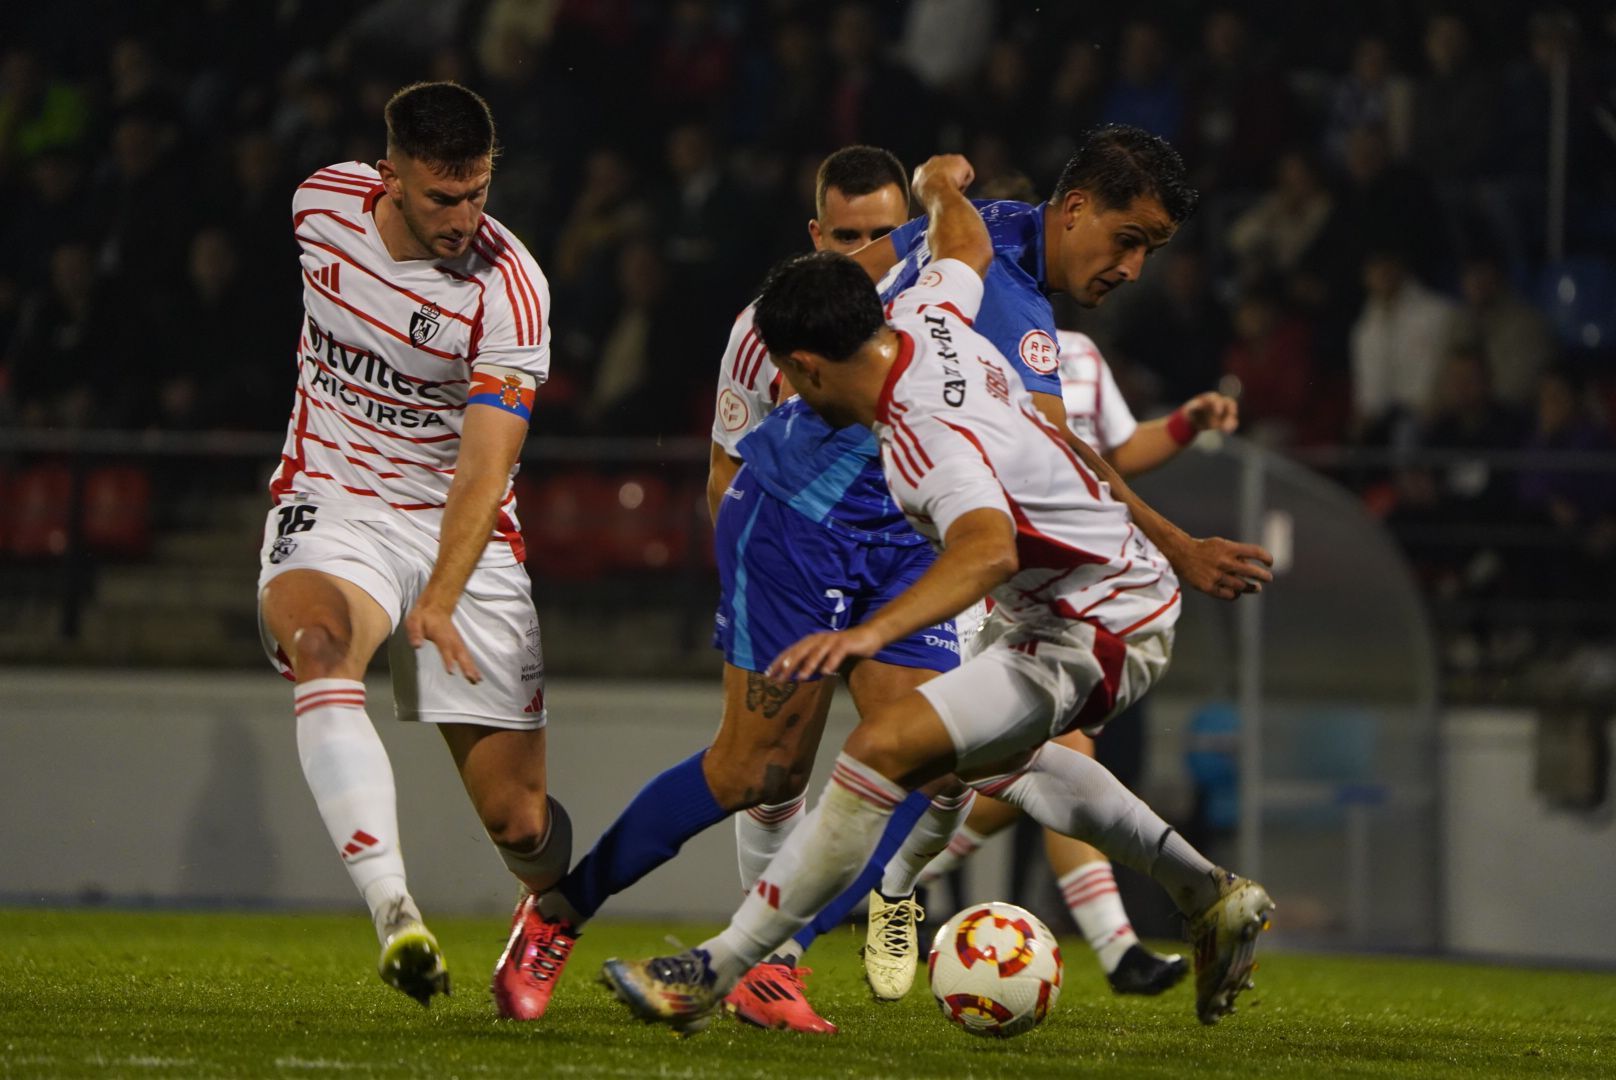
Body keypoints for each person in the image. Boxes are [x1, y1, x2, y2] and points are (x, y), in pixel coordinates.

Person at [599, 158, 1274, 1033]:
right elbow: (961, 242)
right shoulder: (930, 310)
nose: (796, 402)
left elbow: (986, 551)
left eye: (800, 385)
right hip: (1080, 587)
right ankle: (1207, 894)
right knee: (993, 763)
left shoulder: (923, 438)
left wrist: (864, 635)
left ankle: (717, 970)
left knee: (882, 748)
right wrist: (938, 186)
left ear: (818, 370)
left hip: (1098, 617)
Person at [505, 146, 930, 1032]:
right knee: (756, 773)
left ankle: (776, 961)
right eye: (844, 236)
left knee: (926, 752)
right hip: (798, 546)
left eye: (882, 234)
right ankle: (556, 915)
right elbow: (724, 469)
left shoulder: (948, 298)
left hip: (907, 548)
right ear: (815, 235)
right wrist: (752, 591)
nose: (864, 254)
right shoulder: (768, 326)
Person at [255, 81, 569, 1014]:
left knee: (519, 821)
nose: (466, 218)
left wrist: (439, 591)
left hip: (459, 531)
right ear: (388, 178)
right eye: (443, 198)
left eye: (479, 193)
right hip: (334, 502)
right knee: (320, 646)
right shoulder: (321, 205)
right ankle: (394, 909)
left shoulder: (511, 291)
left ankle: (550, 903)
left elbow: (484, 470)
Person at [873, 329, 1238, 998]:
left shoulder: (1076, 353)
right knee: (971, 766)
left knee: (992, 760)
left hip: (1064, 594)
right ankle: (889, 885)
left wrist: (1186, 422)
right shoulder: (934, 338)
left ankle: (886, 889)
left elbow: (1113, 455)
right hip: (972, 576)